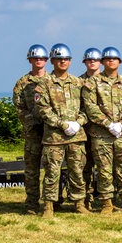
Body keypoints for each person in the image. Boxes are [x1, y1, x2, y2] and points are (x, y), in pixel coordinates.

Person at [34, 43, 88, 218]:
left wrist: (79, 123)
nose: (62, 62)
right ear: (52, 61)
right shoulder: (44, 84)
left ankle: (79, 204)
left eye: (65, 59)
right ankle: (49, 206)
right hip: (54, 137)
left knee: (77, 171)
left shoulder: (78, 83)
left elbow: (87, 108)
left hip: (76, 137)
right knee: (52, 173)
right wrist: (62, 124)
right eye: (59, 59)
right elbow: (43, 109)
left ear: (70, 61)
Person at [82, 46, 122, 215]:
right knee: (104, 170)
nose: (111, 61)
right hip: (101, 134)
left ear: (119, 62)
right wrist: (108, 123)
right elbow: (90, 107)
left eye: (114, 59)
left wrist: (121, 123)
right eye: (107, 59)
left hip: (121, 135)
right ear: (103, 62)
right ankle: (107, 202)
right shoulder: (92, 83)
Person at [12, 44, 49, 214]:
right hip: (33, 133)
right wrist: (32, 122)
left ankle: (52, 202)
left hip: (51, 132)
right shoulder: (22, 82)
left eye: (41, 58)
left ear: (47, 60)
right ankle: (32, 204)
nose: (38, 61)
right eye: (35, 58)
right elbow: (19, 107)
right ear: (30, 60)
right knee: (32, 170)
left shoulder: (52, 80)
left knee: (52, 169)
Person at [78, 47, 103, 209]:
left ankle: (106, 199)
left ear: (100, 61)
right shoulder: (77, 82)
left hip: (103, 132)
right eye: (89, 60)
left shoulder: (107, 80)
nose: (92, 62)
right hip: (84, 131)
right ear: (85, 62)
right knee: (84, 167)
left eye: (95, 59)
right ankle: (86, 199)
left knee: (104, 168)